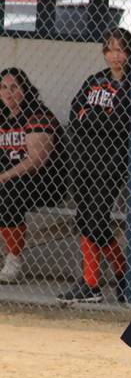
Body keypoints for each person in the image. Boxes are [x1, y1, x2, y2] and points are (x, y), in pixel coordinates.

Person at [57, 27, 131, 303]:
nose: (116, 55)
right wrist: (97, 121)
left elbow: (119, 122)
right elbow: (75, 113)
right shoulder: (95, 80)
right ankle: (121, 274)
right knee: (85, 217)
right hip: (84, 159)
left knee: (96, 216)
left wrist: (92, 120)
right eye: (111, 49)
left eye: (121, 49)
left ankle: (93, 283)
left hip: (111, 161)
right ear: (104, 53)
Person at [0, 67, 62, 284]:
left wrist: (3, 177)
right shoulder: (2, 117)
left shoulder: (37, 114)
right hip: (10, 180)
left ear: (25, 90)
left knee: (7, 196)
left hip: (44, 182)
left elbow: (37, 160)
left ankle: (14, 259)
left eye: (14, 87)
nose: (8, 92)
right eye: (4, 87)